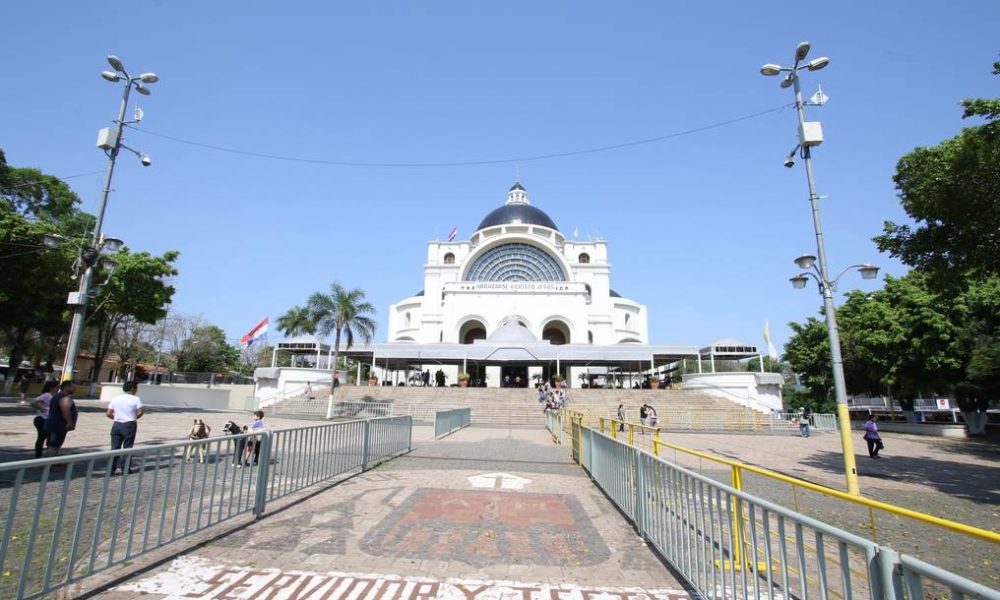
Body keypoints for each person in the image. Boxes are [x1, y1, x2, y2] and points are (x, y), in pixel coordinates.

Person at [106, 380, 144, 474]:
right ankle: (125, 469)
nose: (137, 390)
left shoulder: (116, 398)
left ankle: (111, 469)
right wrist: (133, 417)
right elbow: (140, 411)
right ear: (132, 388)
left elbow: (108, 413)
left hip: (117, 424)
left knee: (114, 448)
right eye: (136, 388)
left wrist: (117, 417)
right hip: (129, 425)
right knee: (127, 447)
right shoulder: (135, 399)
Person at [44, 381, 77, 458]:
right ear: (67, 387)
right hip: (57, 426)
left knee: (54, 445)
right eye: (73, 387)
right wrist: (69, 422)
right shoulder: (64, 398)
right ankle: (48, 465)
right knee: (53, 446)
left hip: (55, 425)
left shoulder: (56, 396)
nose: (74, 388)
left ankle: (51, 463)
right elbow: (65, 410)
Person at [31, 381, 57, 458]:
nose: (57, 389)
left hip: (46, 418)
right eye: (56, 387)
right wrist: (43, 409)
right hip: (42, 419)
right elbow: (33, 402)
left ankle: (41, 454)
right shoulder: (47, 395)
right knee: (42, 437)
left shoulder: (51, 395)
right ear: (51, 388)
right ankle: (38, 455)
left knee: (44, 437)